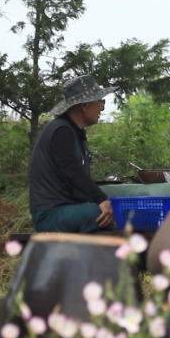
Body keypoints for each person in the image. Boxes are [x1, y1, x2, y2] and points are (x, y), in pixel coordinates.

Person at [29, 75, 117, 233]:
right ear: (84, 105)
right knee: (99, 213)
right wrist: (102, 200)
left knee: (115, 206)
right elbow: (73, 172)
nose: (102, 108)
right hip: (50, 214)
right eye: (99, 102)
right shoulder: (61, 132)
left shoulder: (75, 133)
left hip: (68, 208)